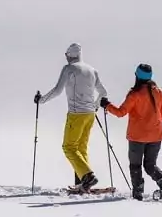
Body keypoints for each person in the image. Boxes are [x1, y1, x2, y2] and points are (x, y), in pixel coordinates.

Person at [34, 43, 109, 191]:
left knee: (68, 147)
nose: (66, 58)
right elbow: (103, 92)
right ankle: (83, 182)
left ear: (70, 55)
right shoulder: (92, 70)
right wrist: (94, 105)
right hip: (90, 115)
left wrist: (41, 100)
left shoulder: (69, 69)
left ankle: (88, 176)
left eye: (66, 55)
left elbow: (57, 90)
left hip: (76, 115)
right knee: (81, 148)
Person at [101, 63, 162, 200]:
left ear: (137, 76)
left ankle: (138, 193)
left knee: (135, 165)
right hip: (156, 135)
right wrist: (155, 122)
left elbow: (121, 112)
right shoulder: (158, 92)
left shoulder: (134, 94)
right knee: (150, 165)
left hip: (137, 137)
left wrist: (107, 105)